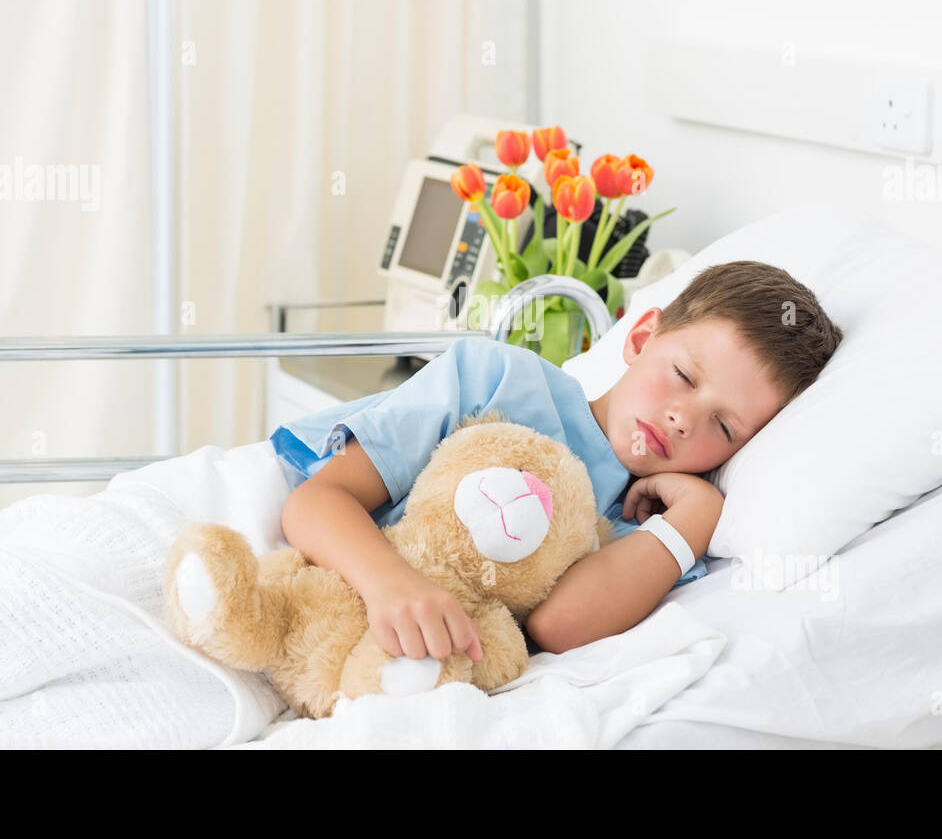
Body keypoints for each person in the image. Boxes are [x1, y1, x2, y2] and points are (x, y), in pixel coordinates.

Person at [271, 260, 843, 663]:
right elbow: (318, 501)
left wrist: (696, 513)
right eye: (684, 376)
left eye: (723, 425)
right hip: (334, 604)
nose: (682, 419)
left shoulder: (647, 527)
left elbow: (557, 626)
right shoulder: (498, 381)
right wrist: (392, 585)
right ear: (643, 336)